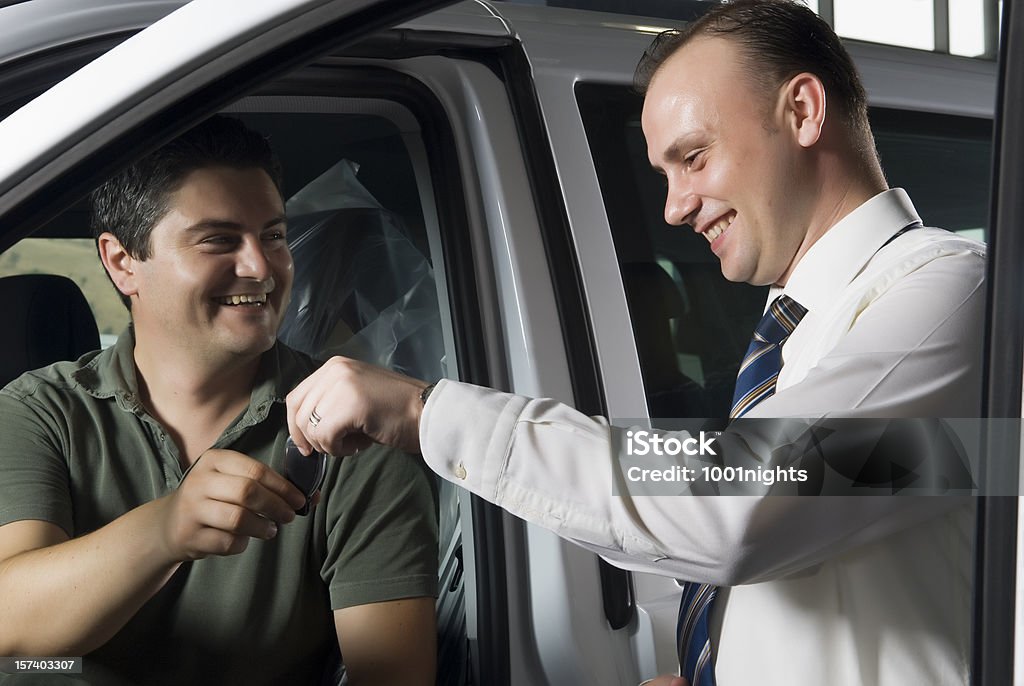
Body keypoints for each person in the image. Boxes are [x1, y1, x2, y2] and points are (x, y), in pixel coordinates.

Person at [283, 1, 985, 685]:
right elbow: (818, 533)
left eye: (694, 157)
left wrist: (425, 413)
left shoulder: (956, 302)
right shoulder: (805, 326)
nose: (674, 207)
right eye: (664, 174)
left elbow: (741, 495)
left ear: (802, 111)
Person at [0, 116, 439, 685]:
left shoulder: (355, 435)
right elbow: (11, 624)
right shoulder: (40, 411)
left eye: (275, 236)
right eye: (218, 240)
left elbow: (393, 679)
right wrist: (167, 531)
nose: (261, 267)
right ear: (121, 262)